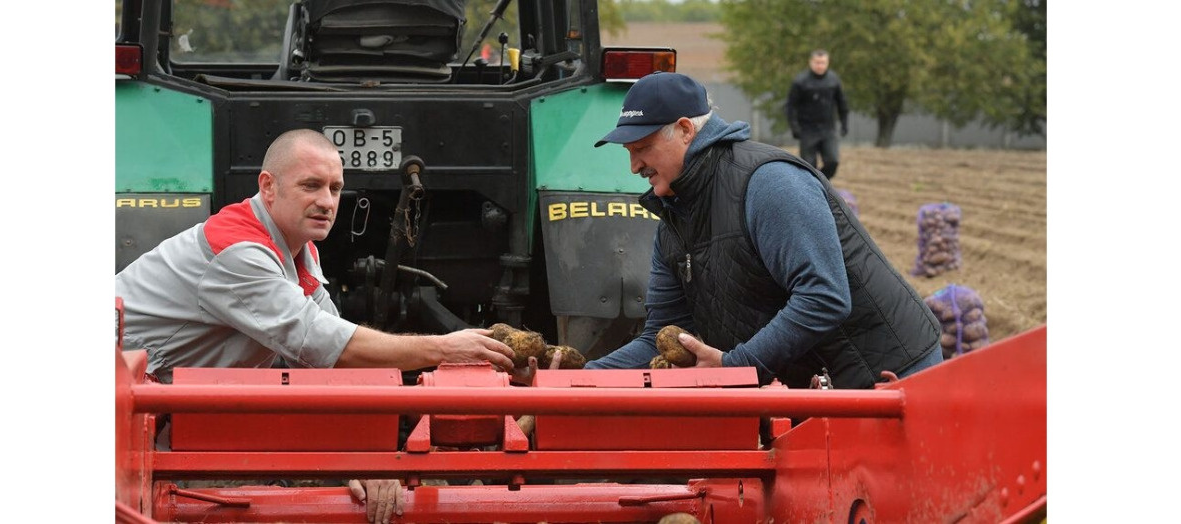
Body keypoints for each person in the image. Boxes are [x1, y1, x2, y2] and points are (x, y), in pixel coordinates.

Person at [115, 128, 519, 524]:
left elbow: (330, 368)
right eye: (311, 186)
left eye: (335, 188)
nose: (326, 202)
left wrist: (367, 458)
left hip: (147, 412)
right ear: (268, 186)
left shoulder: (299, 252)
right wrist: (444, 349)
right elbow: (331, 346)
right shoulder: (239, 251)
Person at [587, 72, 942, 389]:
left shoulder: (767, 183)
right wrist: (575, 379)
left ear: (684, 130)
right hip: (822, 389)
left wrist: (733, 367)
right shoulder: (674, 221)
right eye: (629, 152)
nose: (634, 166)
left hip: (888, 377)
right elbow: (661, 336)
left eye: (643, 148)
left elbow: (824, 297)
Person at [786, 49, 849, 179]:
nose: (820, 66)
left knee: (833, 161)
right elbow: (791, 106)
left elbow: (842, 103)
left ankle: (821, 182)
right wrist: (794, 127)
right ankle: (812, 187)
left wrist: (844, 123)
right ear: (811, 62)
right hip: (808, 130)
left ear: (828, 63)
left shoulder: (833, 80)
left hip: (828, 129)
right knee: (808, 166)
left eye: (823, 62)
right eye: (817, 62)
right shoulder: (800, 81)